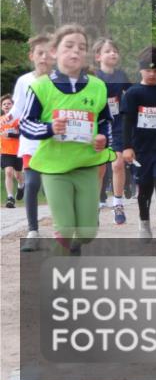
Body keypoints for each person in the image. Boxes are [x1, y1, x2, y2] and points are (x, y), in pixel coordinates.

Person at [18, 25, 116, 255]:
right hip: (54, 166)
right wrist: (50, 128)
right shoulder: (40, 87)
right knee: (64, 226)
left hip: (86, 164)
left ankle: (75, 245)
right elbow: (26, 123)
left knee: (86, 233)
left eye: (81, 48)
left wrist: (103, 139)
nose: (75, 52)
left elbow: (106, 122)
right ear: (54, 51)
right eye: (69, 46)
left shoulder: (97, 86)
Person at [120, 46, 156, 247]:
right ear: (140, 70)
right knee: (144, 190)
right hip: (141, 150)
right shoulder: (133, 93)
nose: (152, 74)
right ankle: (144, 223)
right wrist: (127, 147)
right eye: (148, 70)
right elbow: (126, 122)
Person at [9, 34, 52, 250]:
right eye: (40, 53)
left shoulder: (61, 80)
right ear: (31, 56)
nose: (44, 57)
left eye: (48, 53)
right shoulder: (24, 81)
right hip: (31, 141)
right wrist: (6, 121)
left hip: (57, 143)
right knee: (32, 184)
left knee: (56, 188)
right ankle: (33, 231)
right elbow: (16, 110)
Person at [92, 37, 132, 223]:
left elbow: (132, 96)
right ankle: (94, 207)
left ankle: (117, 203)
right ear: (98, 56)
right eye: (108, 51)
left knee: (118, 164)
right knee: (100, 169)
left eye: (115, 50)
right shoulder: (93, 76)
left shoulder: (122, 76)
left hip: (117, 124)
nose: (113, 53)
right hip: (99, 125)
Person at [1, 94, 23, 208]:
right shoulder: (0, 121)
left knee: (18, 175)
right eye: (4, 104)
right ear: (1, 107)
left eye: (9, 103)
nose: (6, 105)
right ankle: (10, 198)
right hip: (5, 151)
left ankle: (21, 185)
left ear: (13, 106)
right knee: (8, 172)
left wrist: (9, 134)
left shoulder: (18, 119)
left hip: (18, 151)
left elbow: (23, 134)